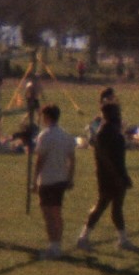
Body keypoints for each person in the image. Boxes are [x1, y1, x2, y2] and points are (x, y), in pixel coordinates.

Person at [75, 90, 137, 252]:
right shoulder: (105, 131)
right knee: (102, 204)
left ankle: (122, 240)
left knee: (116, 207)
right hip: (108, 175)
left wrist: (123, 175)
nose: (120, 114)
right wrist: (117, 176)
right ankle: (83, 238)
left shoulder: (113, 129)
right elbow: (104, 157)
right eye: (117, 112)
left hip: (117, 173)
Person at [31, 103, 79, 257]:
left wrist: (34, 180)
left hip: (47, 179)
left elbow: (40, 159)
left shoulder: (45, 136)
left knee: (48, 214)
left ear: (47, 117)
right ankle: (57, 244)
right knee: (57, 212)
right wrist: (70, 178)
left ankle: (53, 246)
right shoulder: (66, 136)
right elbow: (72, 159)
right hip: (61, 179)